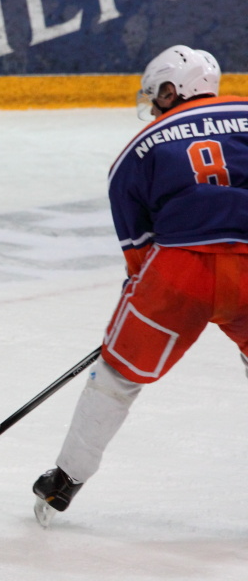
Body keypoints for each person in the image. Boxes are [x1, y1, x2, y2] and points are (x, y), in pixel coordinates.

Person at [32, 46, 248, 526]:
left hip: (180, 271)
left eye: (156, 97)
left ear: (171, 91)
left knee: (117, 375)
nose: (153, 108)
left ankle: (65, 480)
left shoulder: (136, 150)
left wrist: (128, 333)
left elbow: (140, 257)